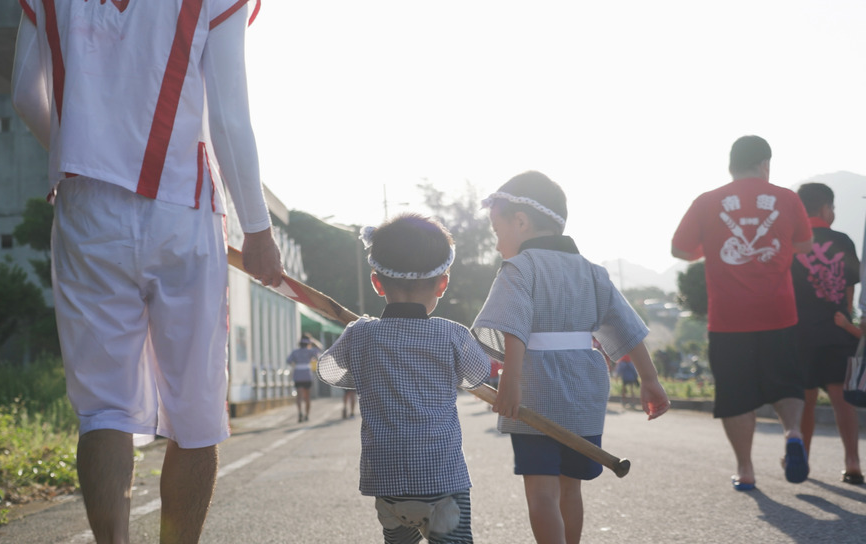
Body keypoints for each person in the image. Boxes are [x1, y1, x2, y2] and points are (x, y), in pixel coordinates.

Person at [11, 2, 283, 543]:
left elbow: (24, 95)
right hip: (181, 204)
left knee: (104, 409)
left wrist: (87, 154)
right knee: (195, 412)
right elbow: (228, 117)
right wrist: (256, 228)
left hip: (86, 205)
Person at [472, 171, 670, 544]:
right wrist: (650, 379)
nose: (497, 242)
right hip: (583, 389)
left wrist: (510, 380)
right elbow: (625, 327)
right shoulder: (593, 272)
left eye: (497, 231)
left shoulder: (520, 268)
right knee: (570, 490)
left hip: (535, 388)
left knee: (541, 494)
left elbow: (514, 324)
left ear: (521, 222)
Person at [317, 213, 491, 544]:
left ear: (376, 282)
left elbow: (330, 371)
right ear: (443, 283)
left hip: (387, 481)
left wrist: (363, 346)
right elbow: (478, 376)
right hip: (442, 478)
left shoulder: (362, 334)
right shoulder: (450, 333)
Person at [671, 135, 813, 492]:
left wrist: (712, 249)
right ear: (765, 164)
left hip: (729, 320)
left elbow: (679, 249)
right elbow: (804, 243)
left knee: (735, 394)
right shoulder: (787, 198)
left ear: (731, 165)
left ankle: (746, 469)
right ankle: (793, 433)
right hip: (779, 313)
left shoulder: (707, 201)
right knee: (787, 382)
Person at [791, 183, 862, 484]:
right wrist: (844, 318)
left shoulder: (791, 242)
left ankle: (802, 459)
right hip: (836, 329)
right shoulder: (843, 241)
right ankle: (853, 462)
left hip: (800, 331)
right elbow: (849, 290)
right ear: (824, 209)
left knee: (805, 399)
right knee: (841, 398)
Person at [286, 335, 320, 422]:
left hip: (298, 374)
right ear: (307, 343)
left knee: (299, 396)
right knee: (307, 396)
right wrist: (313, 342)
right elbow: (319, 349)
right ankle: (307, 414)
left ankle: (299, 412)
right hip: (307, 375)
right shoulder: (310, 351)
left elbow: (289, 361)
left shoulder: (295, 352)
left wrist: (296, 364)